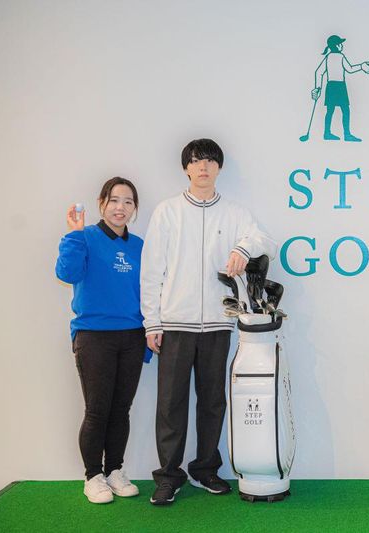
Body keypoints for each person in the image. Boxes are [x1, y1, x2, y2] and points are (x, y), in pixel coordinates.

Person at [141, 138, 277, 506]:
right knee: (170, 404)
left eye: (210, 161)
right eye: (196, 161)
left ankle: (205, 470)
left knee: (213, 401)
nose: (203, 167)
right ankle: (169, 476)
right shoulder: (167, 212)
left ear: (219, 168)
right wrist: (152, 322)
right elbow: (151, 270)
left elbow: (265, 241)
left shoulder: (235, 213)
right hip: (175, 324)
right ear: (186, 168)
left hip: (218, 323)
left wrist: (243, 248)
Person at [55, 177, 146, 504]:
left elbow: (149, 291)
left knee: (121, 409)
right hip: (93, 336)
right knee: (97, 410)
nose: (121, 208)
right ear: (101, 203)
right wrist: (74, 234)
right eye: (114, 200)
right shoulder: (85, 237)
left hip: (132, 336)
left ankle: (115, 471)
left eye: (128, 202)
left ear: (135, 208)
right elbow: (67, 274)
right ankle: (93, 476)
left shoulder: (140, 246)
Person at [312, 35, 368, 142]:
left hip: (331, 86)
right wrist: (361, 66)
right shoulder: (340, 56)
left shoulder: (328, 57)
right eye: (340, 43)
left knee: (330, 111)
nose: (342, 45)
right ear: (337, 45)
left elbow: (319, 72)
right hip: (340, 86)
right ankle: (347, 134)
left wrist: (318, 88)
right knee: (345, 110)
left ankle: (327, 133)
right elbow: (350, 69)